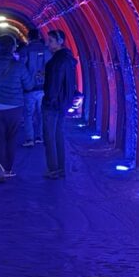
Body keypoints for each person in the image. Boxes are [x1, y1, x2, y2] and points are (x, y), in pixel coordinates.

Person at [0, 34, 33, 182]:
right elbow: (29, 85)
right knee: (11, 138)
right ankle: (8, 169)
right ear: (13, 48)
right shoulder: (19, 66)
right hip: (14, 107)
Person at [42, 29, 77, 179]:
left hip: (53, 105)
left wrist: (49, 100)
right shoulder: (68, 59)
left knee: (49, 137)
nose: (47, 44)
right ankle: (60, 168)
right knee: (58, 135)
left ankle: (53, 169)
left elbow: (55, 85)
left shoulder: (56, 62)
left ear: (60, 41)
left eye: (51, 41)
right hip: (63, 103)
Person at [20, 28, 48, 147]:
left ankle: (30, 139)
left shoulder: (25, 50)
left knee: (28, 114)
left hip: (29, 88)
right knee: (41, 113)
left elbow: (21, 67)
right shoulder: (46, 50)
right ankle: (40, 137)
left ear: (29, 37)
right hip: (43, 87)